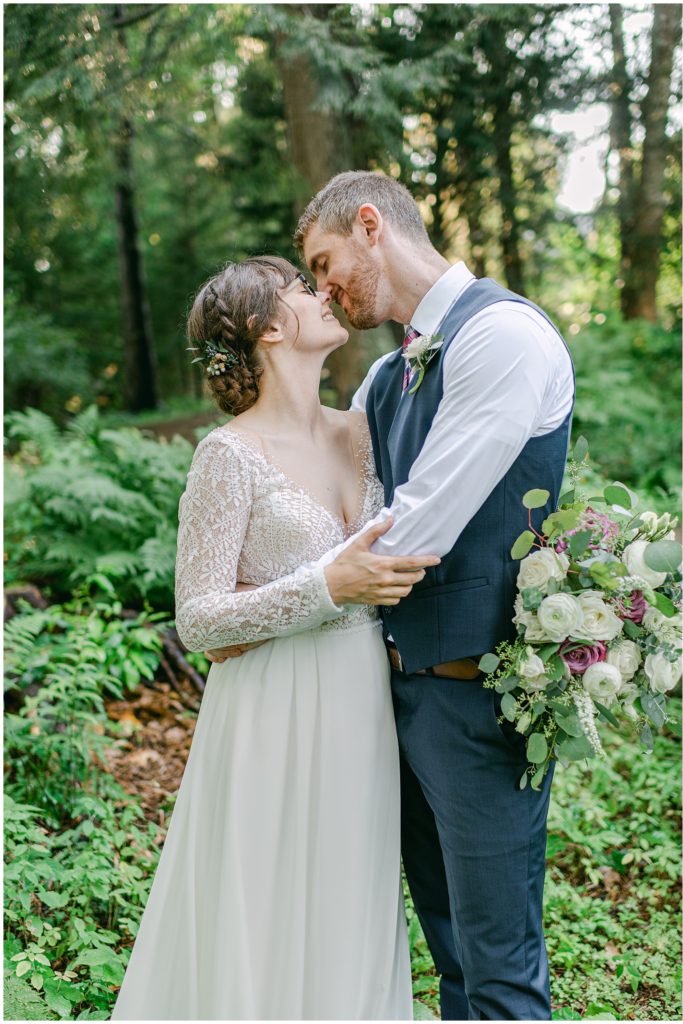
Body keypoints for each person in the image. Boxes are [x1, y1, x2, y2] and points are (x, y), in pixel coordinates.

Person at [208, 172, 575, 1021]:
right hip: (386, 703)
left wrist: (280, 597)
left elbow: (414, 530)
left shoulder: (502, 337)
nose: (324, 288)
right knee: (449, 955)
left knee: (499, 968)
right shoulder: (383, 379)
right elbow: (331, 507)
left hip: (479, 702)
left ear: (371, 226)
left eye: (324, 262)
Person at [110, 255, 440, 1020]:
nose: (322, 294)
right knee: (262, 907)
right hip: (269, 711)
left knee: (348, 900)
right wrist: (326, 588)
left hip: (362, 705)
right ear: (265, 328)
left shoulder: (363, 431)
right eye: (301, 288)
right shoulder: (228, 455)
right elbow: (197, 617)